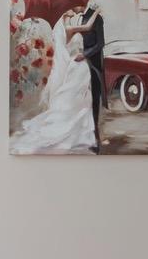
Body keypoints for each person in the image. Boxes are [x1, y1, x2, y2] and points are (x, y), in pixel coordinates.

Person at [13, 10, 98, 154]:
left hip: (76, 64)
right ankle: (75, 130)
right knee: (76, 97)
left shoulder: (66, 27)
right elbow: (88, 27)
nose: (73, 10)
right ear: (64, 14)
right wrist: (96, 12)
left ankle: (79, 130)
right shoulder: (67, 28)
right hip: (75, 64)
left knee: (81, 97)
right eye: (69, 9)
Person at [71, 0, 106, 149]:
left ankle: (95, 138)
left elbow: (100, 43)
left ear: (81, 2)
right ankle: (82, 134)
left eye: (73, 4)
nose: (71, 8)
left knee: (94, 100)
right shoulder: (79, 18)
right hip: (79, 66)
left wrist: (85, 55)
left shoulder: (96, 18)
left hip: (93, 64)